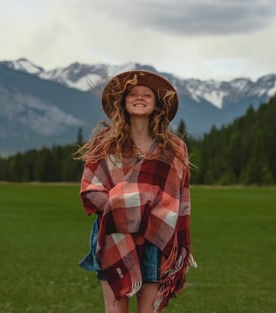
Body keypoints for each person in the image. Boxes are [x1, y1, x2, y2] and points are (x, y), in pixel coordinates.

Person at [76, 70, 195, 313]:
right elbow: (91, 189)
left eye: (146, 94)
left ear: (157, 103)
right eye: (133, 94)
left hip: (156, 236)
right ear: (123, 101)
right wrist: (127, 206)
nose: (139, 98)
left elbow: (181, 198)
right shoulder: (105, 144)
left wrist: (131, 202)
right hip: (113, 235)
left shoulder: (174, 148)